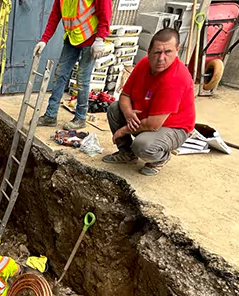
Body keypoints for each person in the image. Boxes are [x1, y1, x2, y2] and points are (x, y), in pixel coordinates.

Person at [102, 28, 195, 176]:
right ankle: (127, 153)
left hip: (173, 127)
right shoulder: (144, 64)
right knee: (114, 109)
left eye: (168, 52)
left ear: (177, 50)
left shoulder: (176, 78)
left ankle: (160, 158)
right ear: (149, 50)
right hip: (146, 116)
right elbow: (125, 95)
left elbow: (153, 125)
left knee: (143, 145)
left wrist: (123, 130)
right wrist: (128, 113)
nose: (161, 58)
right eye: (157, 52)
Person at [33, 0, 113, 131]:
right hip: (72, 38)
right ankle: (51, 115)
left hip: (91, 38)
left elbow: (105, 13)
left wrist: (100, 39)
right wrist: (44, 39)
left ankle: (80, 117)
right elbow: (55, 16)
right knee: (60, 73)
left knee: (82, 78)